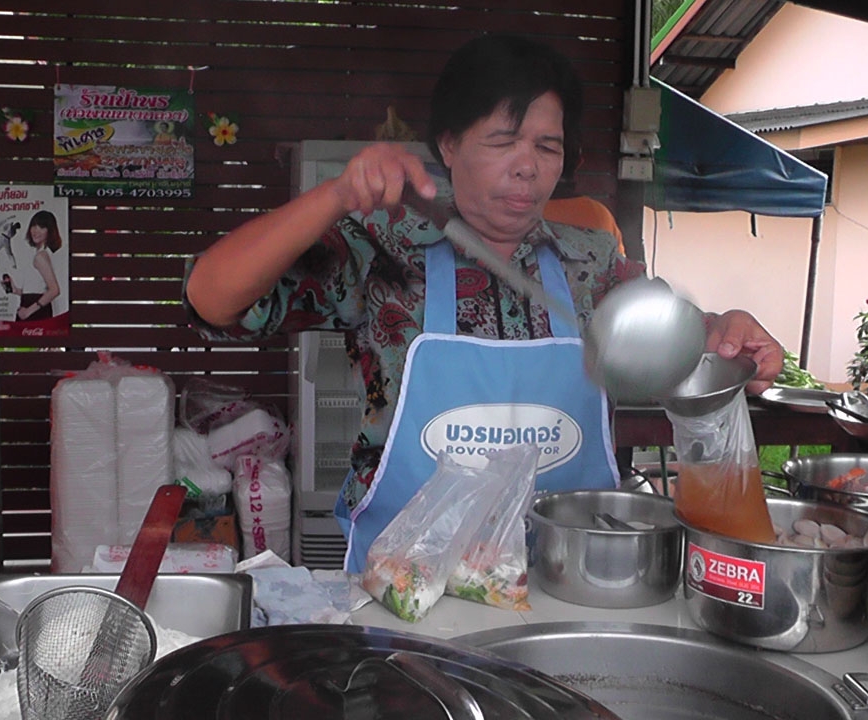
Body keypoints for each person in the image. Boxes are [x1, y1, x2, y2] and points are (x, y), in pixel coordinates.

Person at [184, 34, 783, 572]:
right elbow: (214, 298)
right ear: (448, 144)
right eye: (503, 141)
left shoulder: (593, 261)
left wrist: (722, 333)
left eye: (548, 147)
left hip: (568, 578)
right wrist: (337, 195)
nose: (527, 167)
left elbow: (663, 339)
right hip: (406, 584)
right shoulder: (381, 252)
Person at [9, 210, 62, 321]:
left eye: (42, 227)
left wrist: (28, 311)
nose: (36, 231)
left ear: (50, 231)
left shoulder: (41, 256)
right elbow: (38, 287)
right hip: (33, 306)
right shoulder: (40, 253)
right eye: (34, 226)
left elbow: (54, 290)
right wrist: (16, 291)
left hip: (35, 311)